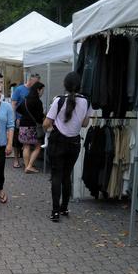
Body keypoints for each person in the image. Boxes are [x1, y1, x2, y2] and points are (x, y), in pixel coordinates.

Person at [43, 72, 93, 222]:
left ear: (65, 84)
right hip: (74, 142)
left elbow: (46, 123)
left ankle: (55, 211)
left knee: (56, 175)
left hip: (58, 141)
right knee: (67, 175)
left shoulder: (59, 100)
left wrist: (51, 129)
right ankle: (64, 207)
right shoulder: (87, 101)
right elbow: (84, 123)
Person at [11, 74, 40, 167]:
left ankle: (26, 161)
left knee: (27, 142)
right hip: (20, 119)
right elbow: (13, 104)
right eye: (36, 82)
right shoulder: (19, 89)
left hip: (29, 121)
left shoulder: (34, 90)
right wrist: (15, 118)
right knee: (17, 141)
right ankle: (16, 159)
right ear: (30, 81)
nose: (37, 84)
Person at [16, 82, 46, 173]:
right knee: (38, 146)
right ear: (38, 90)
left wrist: (26, 115)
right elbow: (39, 117)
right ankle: (29, 166)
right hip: (32, 126)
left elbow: (18, 109)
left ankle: (26, 166)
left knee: (26, 146)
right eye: (42, 90)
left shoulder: (26, 99)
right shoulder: (38, 102)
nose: (42, 93)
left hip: (23, 124)